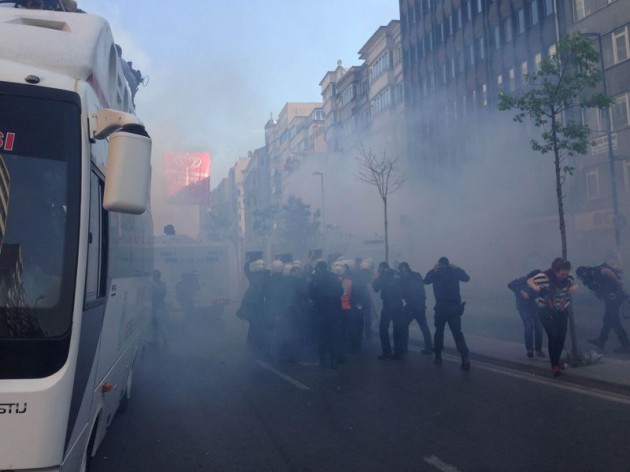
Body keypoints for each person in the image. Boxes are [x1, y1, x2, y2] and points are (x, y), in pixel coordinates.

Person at [528, 258, 577, 377]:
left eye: (566, 273)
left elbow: (574, 283)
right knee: (553, 336)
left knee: (561, 338)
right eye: (562, 274)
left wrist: (575, 287)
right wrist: (536, 288)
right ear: (555, 271)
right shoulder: (544, 277)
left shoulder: (568, 278)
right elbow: (529, 280)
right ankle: (555, 365)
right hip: (546, 310)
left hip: (562, 310)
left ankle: (557, 360)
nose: (564, 276)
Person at [424, 257, 471, 370]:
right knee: (457, 333)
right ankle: (465, 358)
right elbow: (466, 278)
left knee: (439, 332)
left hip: (441, 307)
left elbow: (425, 281)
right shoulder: (454, 271)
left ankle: (438, 357)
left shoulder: (436, 273)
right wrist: (458, 268)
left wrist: (433, 269)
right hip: (454, 308)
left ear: (439, 264)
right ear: (449, 264)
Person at [576, 263, 630, 353]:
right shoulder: (591, 279)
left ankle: (625, 344)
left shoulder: (595, 272)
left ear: (584, 273)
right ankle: (601, 340)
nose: (582, 279)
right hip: (611, 299)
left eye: (581, 276)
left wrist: (618, 282)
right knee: (607, 320)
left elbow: (606, 271)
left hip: (615, 297)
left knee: (614, 321)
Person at [308, 261, 344, 369]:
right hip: (334, 311)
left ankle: (322, 361)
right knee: (334, 336)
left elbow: (312, 294)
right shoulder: (334, 277)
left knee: (321, 336)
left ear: (318, 268)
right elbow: (341, 291)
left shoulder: (316, 278)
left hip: (321, 311)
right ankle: (334, 361)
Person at [508, 270, 545, 358]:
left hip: (536, 306)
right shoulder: (522, 280)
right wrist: (522, 292)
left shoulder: (541, 284)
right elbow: (511, 285)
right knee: (528, 326)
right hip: (524, 307)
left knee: (539, 328)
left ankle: (538, 350)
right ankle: (530, 349)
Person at [372, 262, 406, 360]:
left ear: (381, 267)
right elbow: (404, 286)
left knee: (383, 329)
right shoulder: (397, 274)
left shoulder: (383, 275)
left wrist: (376, 278)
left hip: (388, 305)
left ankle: (387, 353)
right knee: (397, 329)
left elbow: (376, 288)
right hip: (398, 303)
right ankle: (399, 353)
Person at [399, 262, 433, 355]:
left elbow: (401, 290)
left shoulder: (404, 277)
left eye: (400, 269)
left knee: (403, 324)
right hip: (420, 304)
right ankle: (429, 347)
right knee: (424, 326)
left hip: (411, 305)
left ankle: (403, 347)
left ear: (403, 268)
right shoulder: (417, 275)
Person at [151, 270, 168, 350]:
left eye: (156, 275)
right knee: (153, 325)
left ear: (159, 276)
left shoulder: (162, 284)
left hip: (160, 307)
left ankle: (165, 340)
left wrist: (156, 286)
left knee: (161, 324)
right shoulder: (151, 284)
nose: (155, 277)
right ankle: (155, 341)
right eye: (154, 275)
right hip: (153, 307)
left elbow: (162, 294)